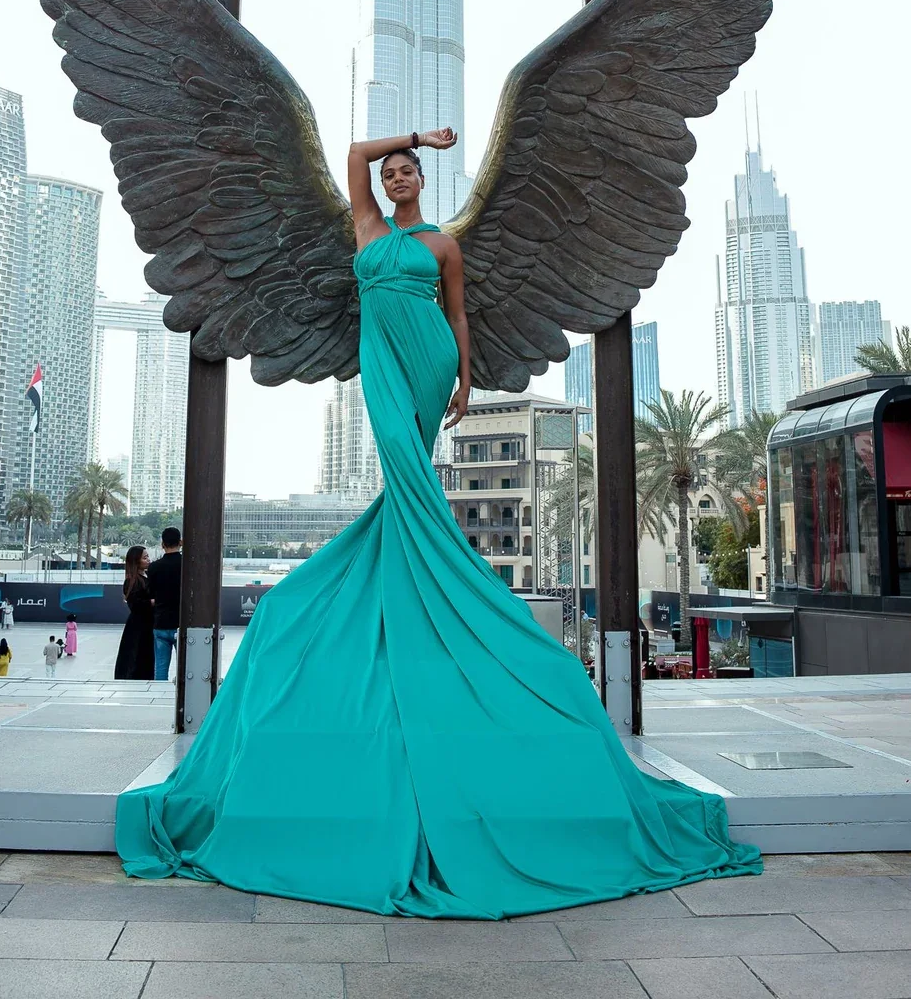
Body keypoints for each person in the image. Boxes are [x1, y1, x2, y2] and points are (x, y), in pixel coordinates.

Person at [116, 129, 761, 916]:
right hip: (379, 359)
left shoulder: (444, 244)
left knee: (413, 481)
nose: (393, 175)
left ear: (423, 181)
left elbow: (459, 317)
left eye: (406, 169)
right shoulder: (366, 228)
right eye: (390, 172)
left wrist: (460, 381)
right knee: (402, 484)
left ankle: (431, 607)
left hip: (425, 360)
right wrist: (413, 133)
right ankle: (426, 600)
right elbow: (350, 152)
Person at [146, 528, 182, 682]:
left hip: (160, 622)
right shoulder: (187, 566)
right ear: (181, 543)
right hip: (182, 623)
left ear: (162, 544)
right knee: (186, 667)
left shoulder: (154, 567)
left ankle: (158, 695)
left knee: (160, 667)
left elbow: (151, 593)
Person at [115, 546, 155, 680]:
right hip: (139, 626)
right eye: (145, 558)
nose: (148, 560)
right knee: (137, 655)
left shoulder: (147, 576)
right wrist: (152, 602)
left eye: (148, 556)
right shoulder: (132, 581)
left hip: (148, 623)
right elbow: (135, 604)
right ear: (136, 561)